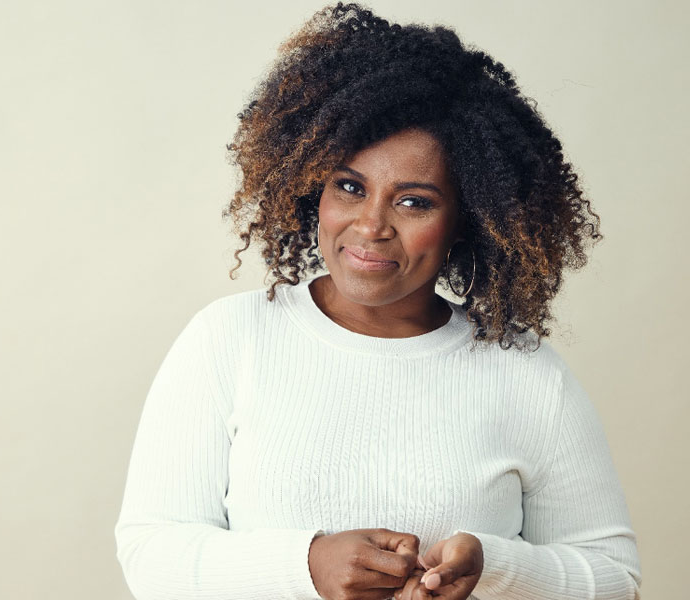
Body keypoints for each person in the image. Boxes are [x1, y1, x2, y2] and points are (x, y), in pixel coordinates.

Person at [114, 3, 642, 599]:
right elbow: (151, 554)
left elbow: (616, 582)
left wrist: (492, 571)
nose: (371, 226)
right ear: (312, 186)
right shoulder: (229, 340)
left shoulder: (526, 374)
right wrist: (307, 566)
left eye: (414, 201)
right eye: (349, 186)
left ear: (467, 221)